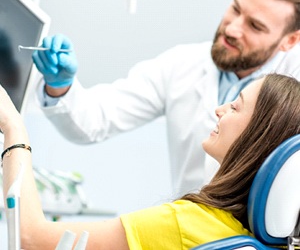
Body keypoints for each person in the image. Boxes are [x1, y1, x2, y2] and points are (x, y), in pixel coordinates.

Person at [32, 0, 300, 196]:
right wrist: (60, 87)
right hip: (189, 236)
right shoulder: (182, 65)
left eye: (254, 26)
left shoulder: (294, 87)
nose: (232, 29)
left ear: (290, 40)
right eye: (236, 9)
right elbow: (96, 120)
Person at [2, 73, 300, 249]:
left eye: (236, 107)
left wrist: (13, 127)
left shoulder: (186, 223)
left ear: (259, 137)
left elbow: (30, 237)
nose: (220, 109)